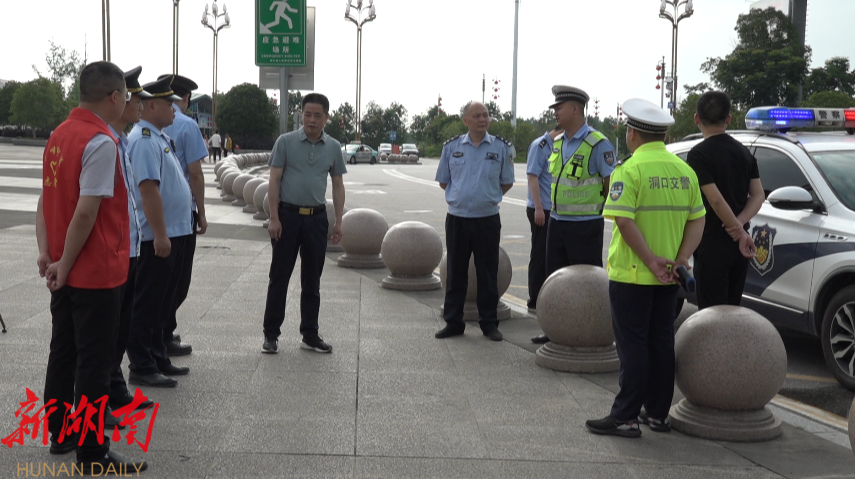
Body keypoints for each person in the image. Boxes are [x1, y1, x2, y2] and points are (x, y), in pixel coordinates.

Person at [35, 60, 147, 473]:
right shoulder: (101, 142)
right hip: (94, 271)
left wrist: (47, 253)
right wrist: (65, 263)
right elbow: (86, 211)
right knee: (94, 365)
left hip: (63, 269)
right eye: (127, 96)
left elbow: (45, 200)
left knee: (63, 353)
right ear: (114, 97)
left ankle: (60, 434)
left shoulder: (59, 136)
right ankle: (92, 453)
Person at [585, 98, 705, 438]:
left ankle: (625, 416)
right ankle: (657, 413)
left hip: (634, 274)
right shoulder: (684, 172)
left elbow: (623, 221)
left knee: (633, 346)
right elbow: (698, 221)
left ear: (632, 133)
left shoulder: (630, 170)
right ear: (664, 136)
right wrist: (681, 259)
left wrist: (651, 260)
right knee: (661, 342)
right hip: (670, 277)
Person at [262, 93, 346, 354]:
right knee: (279, 277)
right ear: (301, 115)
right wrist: (274, 218)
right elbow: (274, 181)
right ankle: (271, 335)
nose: (311, 120)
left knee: (312, 280)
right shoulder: (285, 142)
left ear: (326, 118)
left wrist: (339, 221)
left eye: (317, 115)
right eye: (307, 114)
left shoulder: (333, 147)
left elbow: (338, 185)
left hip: (317, 219)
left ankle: (310, 334)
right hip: (287, 217)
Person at [531, 86, 616, 344]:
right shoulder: (557, 143)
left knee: (587, 284)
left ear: (575, 109)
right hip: (557, 223)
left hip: (585, 225)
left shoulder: (598, 144)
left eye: (559, 107)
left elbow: (609, 184)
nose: (555, 112)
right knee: (555, 280)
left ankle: (591, 332)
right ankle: (554, 329)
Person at [125, 75, 193, 388]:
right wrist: (161, 234)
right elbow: (148, 190)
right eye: (169, 104)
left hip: (174, 232)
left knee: (162, 303)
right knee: (148, 303)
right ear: (151, 106)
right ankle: (141, 363)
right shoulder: (143, 140)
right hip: (157, 237)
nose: (174, 110)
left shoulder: (157, 137)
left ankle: (157, 356)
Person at [434, 101, 515, 342]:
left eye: (486, 115)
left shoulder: (501, 147)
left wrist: (486, 197)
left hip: (487, 220)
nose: (482, 119)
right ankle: (453, 322)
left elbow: (507, 182)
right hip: (457, 219)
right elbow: (444, 181)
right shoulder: (452, 147)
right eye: (477, 115)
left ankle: (489, 323)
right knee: (455, 272)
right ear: (465, 120)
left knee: (488, 273)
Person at [106, 66, 155, 415]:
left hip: (130, 248)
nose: (139, 105)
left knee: (120, 328)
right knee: (105, 334)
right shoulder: (106, 141)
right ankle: (101, 399)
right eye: (134, 99)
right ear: (118, 100)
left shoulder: (122, 141)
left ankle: (115, 388)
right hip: (113, 252)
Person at [687, 91, 761, 309]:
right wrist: (740, 225)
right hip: (739, 246)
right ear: (728, 119)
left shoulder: (698, 154)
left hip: (712, 242)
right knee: (732, 309)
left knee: (712, 313)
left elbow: (715, 200)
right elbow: (758, 195)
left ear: (697, 119)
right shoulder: (744, 152)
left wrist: (737, 229)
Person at [160, 73, 210, 357]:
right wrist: (201, 211)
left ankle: (162, 331)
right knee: (178, 279)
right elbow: (195, 173)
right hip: (181, 213)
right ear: (186, 98)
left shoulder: (148, 122)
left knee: (161, 277)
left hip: (157, 211)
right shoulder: (187, 125)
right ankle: (163, 334)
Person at [525, 126, 562, 314]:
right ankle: (534, 300)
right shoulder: (540, 146)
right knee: (540, 255)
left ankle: (549, 297)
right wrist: (538, 208)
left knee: (552, 256)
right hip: (541, 209)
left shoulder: (560, 145)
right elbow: (532, 177)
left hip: (553, 209)